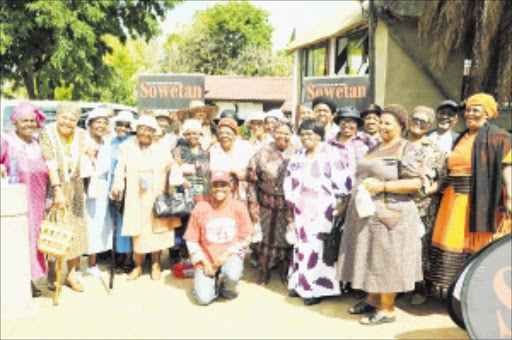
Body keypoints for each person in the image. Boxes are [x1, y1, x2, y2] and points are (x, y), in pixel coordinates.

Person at [336, 105, 424, 325]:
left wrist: (383, 186)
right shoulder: (374, 147)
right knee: (369, 257)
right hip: (368, 214)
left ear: (401, 126)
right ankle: (373, 299)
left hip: (392, 214)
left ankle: (386, 309)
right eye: (381, 122)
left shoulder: (407, 147)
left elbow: (416, 182)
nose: (383, 127)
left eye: (388, 123)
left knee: (387, 260)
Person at [426, 93, 511, 294]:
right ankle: (454, 291)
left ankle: (476, 291)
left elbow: (508, 168)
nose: (470, 114)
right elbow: (450, 171)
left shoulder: (500, 137)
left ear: (488, 113)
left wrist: (509, 198)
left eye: (476, 110)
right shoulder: (462, 137)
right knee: (452, 242)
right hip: (453, 200)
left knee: (476, 243)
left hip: (480, 200)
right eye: (468, 110)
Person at [284, 119, 352, 306]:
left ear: (319, 135)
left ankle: (317, 288)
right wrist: (290, 207)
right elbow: (289, 181)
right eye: (303, 134)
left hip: (324, 209)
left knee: (319, 249)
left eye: (310, 134)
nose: (305, 137)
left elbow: (345, 184)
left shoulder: (332, 154)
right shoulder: (298, 155)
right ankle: (300, 284)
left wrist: (343, 206)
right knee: (300, 246)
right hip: (300, 209)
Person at [111, 115, 181, 281]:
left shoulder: (162, 148)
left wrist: (174, 167)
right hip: (135, 194)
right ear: (137, 130)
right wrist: (117, 185)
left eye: (149, 130)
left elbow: (170, 167)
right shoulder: (126, 147)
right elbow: (120, 168)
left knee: (157, 229)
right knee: (138, 231)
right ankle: (138, 266)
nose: (145, 133)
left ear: (154, 132)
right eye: (142, 129)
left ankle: (156, 264)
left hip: (157, 192)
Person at [39, 102, 90, 292]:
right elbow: (49, 162)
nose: (67, 122)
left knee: (76, 229)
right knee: (54, 230)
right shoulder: (48, 133)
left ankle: (71, 273)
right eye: (64, 118)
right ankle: (52, 272)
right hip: (55, 187)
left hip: (75, 188)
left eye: (72, 119)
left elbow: (86, 160)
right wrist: (58, 190)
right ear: (58, 117)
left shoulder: (83, 135)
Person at [184, 170, 254, 305]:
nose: (219, 189)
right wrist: (205, 263)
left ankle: (227, 289)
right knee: (204, 299)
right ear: (210, 187)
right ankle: (210, 283)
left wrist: (227, 254)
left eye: (223, 185)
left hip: (229, 255)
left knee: (232, 276)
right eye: (216, 185)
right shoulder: (200, 208)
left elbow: (246, 237)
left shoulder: (238, 207)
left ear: (230, 187)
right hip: (206, 258)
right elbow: (191, 240)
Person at [0, 102, 48, 297]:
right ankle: (13, 281)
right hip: (15, 205)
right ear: (15, 122)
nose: (29, 124)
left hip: (37, 205)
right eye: (24, 120)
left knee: (33, 242)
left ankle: (28, 280)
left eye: (32, 120)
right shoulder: (6, 141)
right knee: (16, 240)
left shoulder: (38, 144)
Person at [246, 122, 298, 285]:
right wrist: (253, 206)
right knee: (263, 239)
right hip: (265, 205)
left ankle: (284, 273)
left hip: (287, 207)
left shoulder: (297, 153)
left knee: (286, 240)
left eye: (286, 133)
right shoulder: (261, 153)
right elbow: (251, 181)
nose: (283, 137)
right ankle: (264, 272)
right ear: (273, 134)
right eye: (279, 133)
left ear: (292, 135)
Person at [406, 106, 447, 305]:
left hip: (423, 206)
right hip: (394, 204)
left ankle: (419, 287)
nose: (419, 124)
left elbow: (443, 179)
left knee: (420, 246)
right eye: (416, 119)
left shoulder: (434, 149)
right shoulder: (396, 143)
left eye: (424, 122)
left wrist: (427, 190)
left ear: (429, 126)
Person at [169, 119, 210, 266]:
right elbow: (172, 169)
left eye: (195, 133)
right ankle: (177, 253)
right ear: (184, 134)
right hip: (182, 192)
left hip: (201, 193)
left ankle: (194, 252)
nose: (192, 136)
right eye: (188, 133)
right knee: (181, 223)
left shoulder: (205, 150)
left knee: (197, 222)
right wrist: (181, 176)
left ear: (200, 134)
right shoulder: (177, 150)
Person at [84, 107, 114, 277]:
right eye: (98, 122)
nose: (101, 126)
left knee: (97, 223)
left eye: (104, 122)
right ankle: (76, 267)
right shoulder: (83, 142)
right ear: (90, 124)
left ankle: (92, 263)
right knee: (84, 223)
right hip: (85, 187)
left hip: (101, 188)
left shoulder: (107, 145)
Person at [108, 111, 135, 273]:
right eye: (120, 124)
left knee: (126, 223)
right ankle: (118, 254)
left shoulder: (132, 143)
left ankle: (128, 257)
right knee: (115, 223)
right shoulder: (110, 143)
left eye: (126, 125)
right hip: (111, 187)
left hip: (127, 188)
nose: (123, 128)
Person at [208, 117, 254, 202]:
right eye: (221, 133)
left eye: (228, 133)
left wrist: (243, 174)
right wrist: (231, 172)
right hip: (222, 196)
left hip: (244, 195)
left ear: (235, 135)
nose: (224, 136)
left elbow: (253, 170)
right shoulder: (213, 150)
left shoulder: (246, 147)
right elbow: (213, 170)